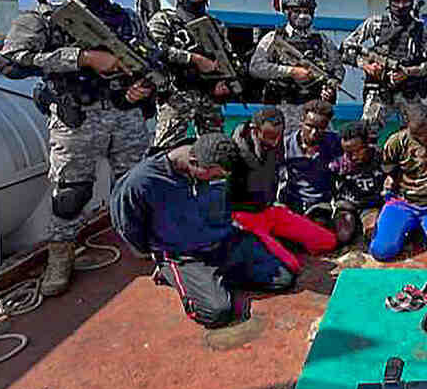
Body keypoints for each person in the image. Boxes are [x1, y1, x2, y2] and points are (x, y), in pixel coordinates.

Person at [0, 0, 155, 297]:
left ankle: (137, 239)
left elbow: (150, 61)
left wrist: (141, 88)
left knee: (134, 184)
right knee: (71, 192)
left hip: (125, 114)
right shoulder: (46, 18)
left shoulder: (129, 20)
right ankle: (60, 256)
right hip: (77, 117)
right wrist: (81, 58)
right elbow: (11, 60)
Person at [110, 133, 294, 328]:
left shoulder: (215, 161)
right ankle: (173, 272)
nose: (219, 180)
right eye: (214, 177)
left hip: (225, 242)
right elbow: (127, 224)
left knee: (283, 280)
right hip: (186, 256)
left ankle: (212, 279)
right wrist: (153, 250)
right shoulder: (142, 181)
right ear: (193, 163)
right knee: (217, 313)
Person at [227, 107, 337, 273]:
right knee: (290, 266)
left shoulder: (278, 143)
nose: (274, 141)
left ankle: (276, 240)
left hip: (269, 210)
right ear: (254, 130)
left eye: (278, 136)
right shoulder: (234, 152)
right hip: (244, 218)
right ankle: (267, 244)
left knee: (328, 242)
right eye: (269, 137)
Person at [146, 0, 234, 148]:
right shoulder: (164, 20)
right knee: (166, 148)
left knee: (215, 147)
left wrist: (224, 81)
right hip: (176, 95)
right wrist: (192, 58)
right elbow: (154, 50)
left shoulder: (215, 25)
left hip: (208, 95)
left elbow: (226, 56)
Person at [341, 0, 427, 140]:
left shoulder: (422, 29)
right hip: (379, 90)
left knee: (418, 132)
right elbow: (346, 47)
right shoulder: (376, 23)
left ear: (412, 3)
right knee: (367, 132)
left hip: (408, 91)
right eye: (396, 1)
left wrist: (409, 72)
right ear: (389, 2)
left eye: (405, 1)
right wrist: (366, 65)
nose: (401, 6)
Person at [371, 104, 427, 264]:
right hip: (403, 202)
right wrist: (393, 181)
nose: (423, 138)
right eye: (417, 135)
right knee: (381, 251)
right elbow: (388, 167)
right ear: (408, 127)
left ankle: (425, 228)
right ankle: (406, 227)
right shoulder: (396, 142)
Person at [249, 0, 344, 134]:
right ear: (288, 13)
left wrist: (329, 88)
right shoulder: (274, 38)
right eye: (297, 11)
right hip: (282, 108)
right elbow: (256, 67)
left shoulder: (322, 40)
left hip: (313, 112)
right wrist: (291, 71)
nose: (302, 16)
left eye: (307, 12)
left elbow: (338, 69)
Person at [279, 100, 342, 225]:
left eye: (320, 128)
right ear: (301, 121)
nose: (314, 132)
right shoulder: (285, 145)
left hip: (321, 205)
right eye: (309, 126)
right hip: (291, 202)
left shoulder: (335, 143)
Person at [331, 121, 386, 246]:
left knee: (373, 234)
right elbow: (330, 186)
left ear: (367, 144)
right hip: (347, 205)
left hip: (370, 205)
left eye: (357, 152)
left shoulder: (380, 158)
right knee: (343, 236)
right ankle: (353, 226)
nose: (352, 157)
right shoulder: (339, 163)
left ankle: (361, 227)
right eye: (348, 152)